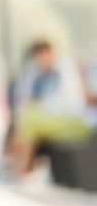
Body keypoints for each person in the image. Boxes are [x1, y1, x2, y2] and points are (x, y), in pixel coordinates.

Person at [8, 39, 91, 174]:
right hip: (48, 117)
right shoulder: (36, 72)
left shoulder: (64, 69)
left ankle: (22, 168)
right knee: (26, 119)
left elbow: (67, 102)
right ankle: (21, 167)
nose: (41, 59)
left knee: (28, 120)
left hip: (70, 118)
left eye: (44, 54)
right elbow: (23, 95)